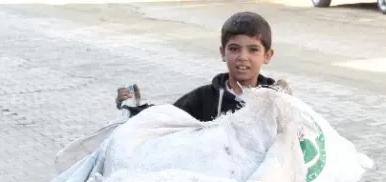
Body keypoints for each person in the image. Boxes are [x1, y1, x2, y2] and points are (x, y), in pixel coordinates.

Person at [115, 11, 276, 122]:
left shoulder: (278, 102)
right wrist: (132, 107)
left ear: (267, 56)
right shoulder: (203, 98)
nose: (242, 57)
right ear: (223, 52)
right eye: (234, 49)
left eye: (253, 50)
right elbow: (166, 120)